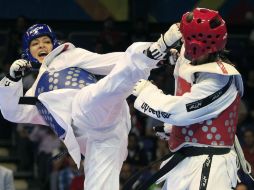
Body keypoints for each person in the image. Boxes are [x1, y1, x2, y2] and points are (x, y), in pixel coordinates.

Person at [0, 23, 181, 189]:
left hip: (92, 107)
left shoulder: (66, 55)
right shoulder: (34, 94)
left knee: (106, 88)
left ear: (54, 44)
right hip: (99, 142)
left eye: (46, 41)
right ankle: (152, 54)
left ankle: (157, 49)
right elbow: (12, 112)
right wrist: (11, 79)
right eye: (35, 43)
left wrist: (159, 59)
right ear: (27, 52)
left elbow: (109, 61)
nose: (41, 46)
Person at [132, 8, 249, 190]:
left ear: (197, 44)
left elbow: (179, 112)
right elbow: (201, 113)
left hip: (209, 164)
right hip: (185, 159)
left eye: (186, 38)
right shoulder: (190, 58)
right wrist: (177, 130)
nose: (182, 42)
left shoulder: (219, 79)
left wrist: (146, 91)